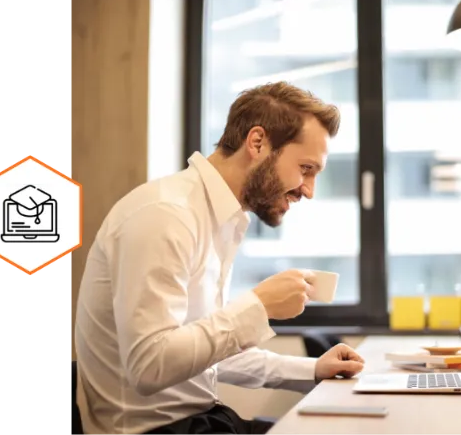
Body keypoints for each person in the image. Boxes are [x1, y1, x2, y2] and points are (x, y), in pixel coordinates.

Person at [74, 81, 365, 435]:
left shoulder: (220, 218)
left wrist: (312, 370)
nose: (309, 190)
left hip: (199, 422)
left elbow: (201, 352)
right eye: (305, 168)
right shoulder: (166, 215)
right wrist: (257, 307)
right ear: (257, 143)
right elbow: (149, 366)